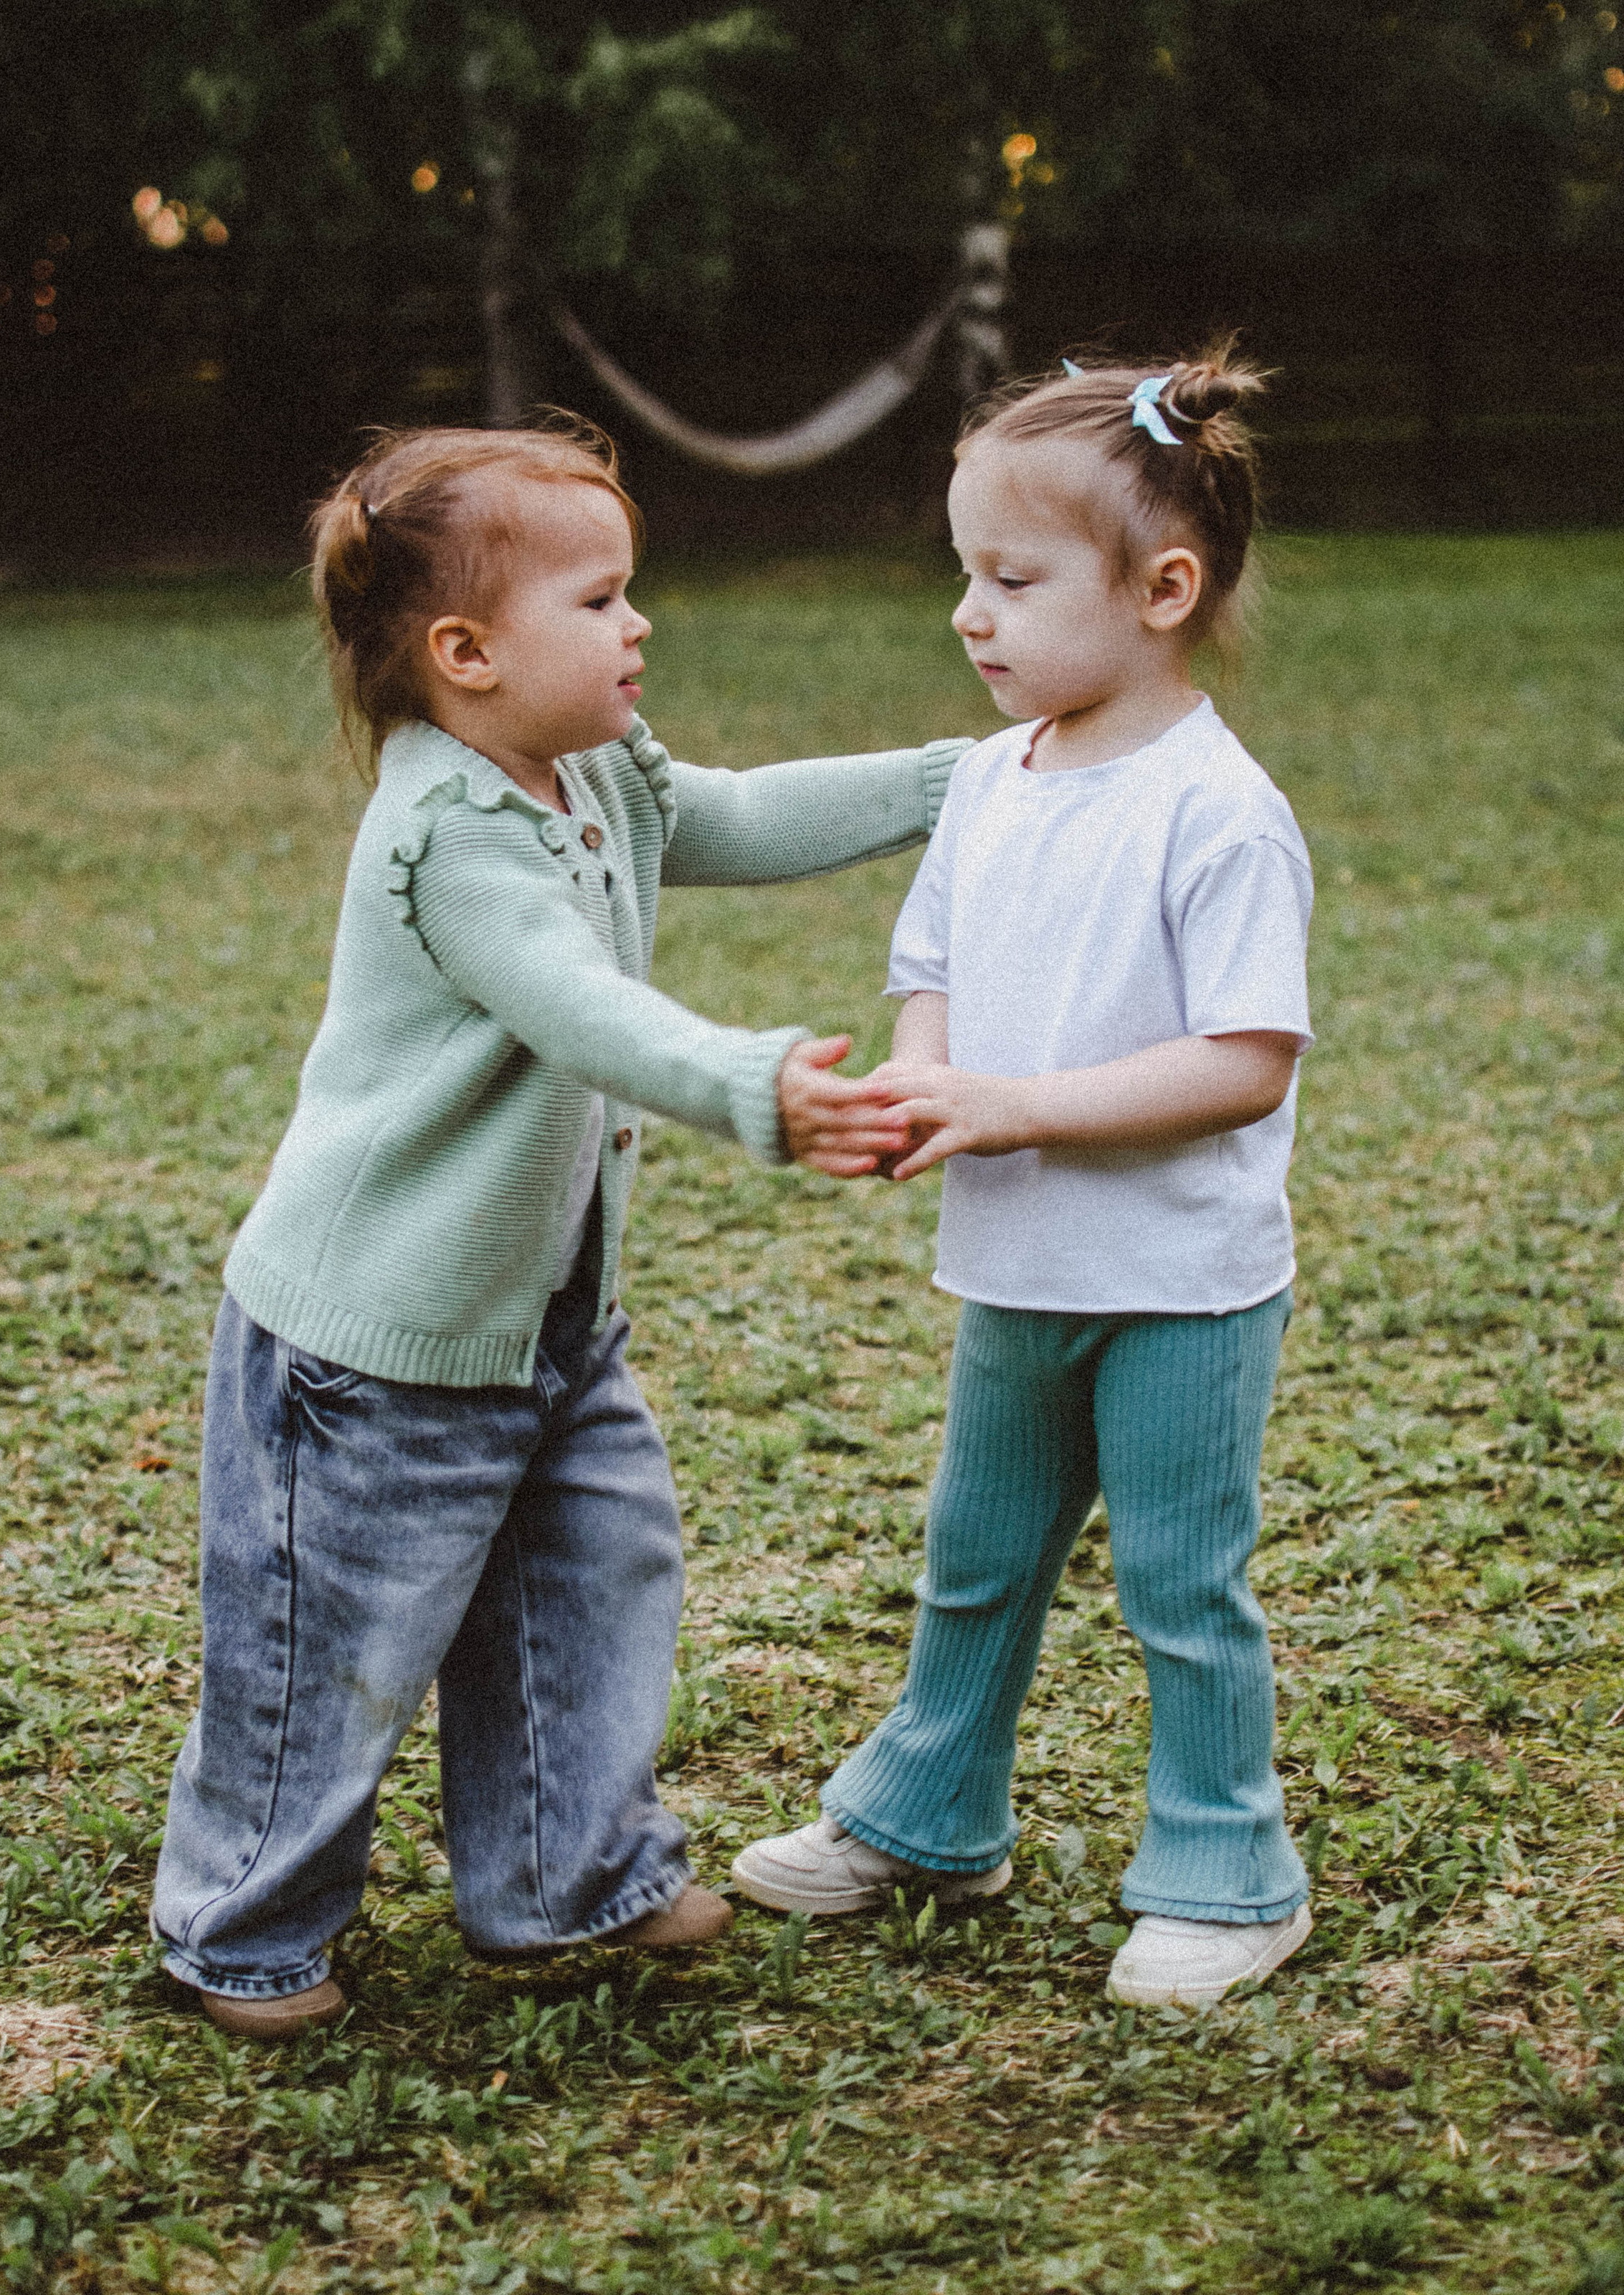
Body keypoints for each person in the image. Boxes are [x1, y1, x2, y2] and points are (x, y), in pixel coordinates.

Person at [150, 417, 969, 2038]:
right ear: (463, 654)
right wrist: (752, 1082)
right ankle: (239, 1930)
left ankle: (561, 1878)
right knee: (327, 1653)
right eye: (599, 599)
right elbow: (574, 1007)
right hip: (368, 1352)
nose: (637, 624)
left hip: (542, 1330)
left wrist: (961, 781)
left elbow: (728, 816)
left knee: (591, 1586)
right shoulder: (445, 838)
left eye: (629, 592)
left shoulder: (592, 769)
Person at [731, 347, 1317, 2010]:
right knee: (975, 1554)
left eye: (1008, 579)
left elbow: (1243, 1060)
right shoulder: (987, 781)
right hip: (1013, 1266)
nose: (966, 617)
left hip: (1177, 1286)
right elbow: (933, 968)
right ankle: (927, 1814)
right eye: (960, 580)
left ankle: (1226, 1870)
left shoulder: (1217, 813)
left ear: (1162, 588)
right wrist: (924, 1084)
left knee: (1179, 1589)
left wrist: (1015, 1103)